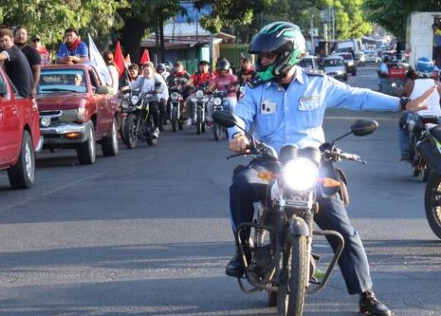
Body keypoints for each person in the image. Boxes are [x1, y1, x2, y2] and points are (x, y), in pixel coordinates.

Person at [225, 21, 434, 316]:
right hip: (269, 164)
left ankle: (366, 295)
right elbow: (239, 118)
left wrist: (403, 103)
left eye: (268, 56)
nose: (262, 62)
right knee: (241, 183)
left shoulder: (318, 83)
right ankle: (242, 249)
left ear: (288, 53)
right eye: (262, 57)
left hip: (312, 165)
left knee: (343, 228)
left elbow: (359, 97)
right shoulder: (256, 90)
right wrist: (237, 135)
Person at [397, 57, 441, 162]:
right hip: (437, 117)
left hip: (417, 118)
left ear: (416, 70)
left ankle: (405, 153)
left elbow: (401, 96)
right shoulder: (437, 84)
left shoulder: (411, 84)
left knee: (401, 127)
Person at [0, 28, 34, 98]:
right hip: (23, 95)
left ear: (12, 39)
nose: (4, 43)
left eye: (6, 40)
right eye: (1, 41)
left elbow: (0, 56)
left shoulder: (12, 51)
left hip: (20, 95)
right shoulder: (13, 52)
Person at [128, 62, 165, 137]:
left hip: (153, 98)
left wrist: (157, 90)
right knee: (135, 110)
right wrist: (125, 89)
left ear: (152, 70)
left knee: (154, 110)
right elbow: (133, 86)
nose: (146, 72)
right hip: (142, 98)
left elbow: (161, 86)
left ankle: (156, 128)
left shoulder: (156, 77)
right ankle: (138, 125)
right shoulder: (141, 78)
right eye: (144, 70)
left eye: (148, 70)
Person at [14, 26, 42, 97]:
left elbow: (37, 71)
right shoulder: (10, 51)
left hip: (29, 89)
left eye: (23, 34)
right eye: (18, 34)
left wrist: (34, 88)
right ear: (14, 36)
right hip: (14, 88)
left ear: (27, 37)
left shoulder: (33, 52)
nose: (20, 36)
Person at [184, 60, 213, 126]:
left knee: (212, 102)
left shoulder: (211, 75)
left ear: (208, 67)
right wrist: (187, 84)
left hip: (207, 94)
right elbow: (190, 81)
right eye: (201, 66)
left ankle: (210, 118)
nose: (203, 67)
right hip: (196, 93)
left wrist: (210, 89)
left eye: (205, 66)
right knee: (189, 100)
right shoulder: (195, 75)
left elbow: (213, 83)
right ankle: (189, 117)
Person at [155, 63, 169, 128]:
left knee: (163, 109)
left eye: (161, 70)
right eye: (159, 70)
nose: (160, 71)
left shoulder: (168, 75)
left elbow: (165, 88)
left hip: (163, 95)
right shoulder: (154, 76)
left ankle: (161, 123)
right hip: (151, 96)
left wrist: (165, 98)